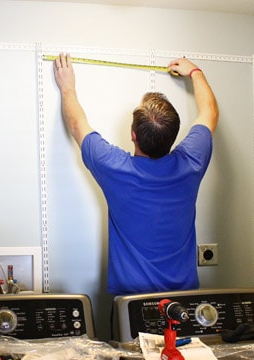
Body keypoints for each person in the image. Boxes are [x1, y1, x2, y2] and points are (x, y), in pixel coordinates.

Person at [53, 53, 218, 295]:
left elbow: (77, 125)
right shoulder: (192, 161)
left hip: (131, 304)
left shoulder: (114, 166)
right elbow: (210, 113)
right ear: (174, 136)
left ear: (133, 135)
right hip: (184, 300)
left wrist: (67, 88)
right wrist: (196, 72)